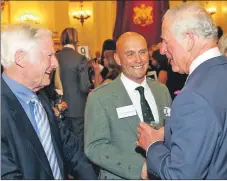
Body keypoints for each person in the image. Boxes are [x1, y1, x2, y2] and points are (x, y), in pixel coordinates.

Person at [137, 3, 227, 179]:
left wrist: (152, 146)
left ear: (189, 39)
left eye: (165, 41)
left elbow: (181, 175)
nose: (162, 50)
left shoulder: (193, 96)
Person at [1, 23, 97, 179]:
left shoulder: (41, 96)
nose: (55, 63)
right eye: (49, 56)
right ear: (21, 58)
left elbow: (71, 149)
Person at [84, 32, 172, 179]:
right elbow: (95, 147)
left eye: (142, 52)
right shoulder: (100, 97)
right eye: (130, 54)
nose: (138, 60)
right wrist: (140, 168)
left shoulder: (161, 90)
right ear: (118, 59)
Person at [56, 27, 91, 145]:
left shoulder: (55, 57)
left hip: (58, 105)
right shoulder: (80, 58)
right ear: (76, 39)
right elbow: (84, 86)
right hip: (77, 108)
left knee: (62, 141)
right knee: (78, 142)